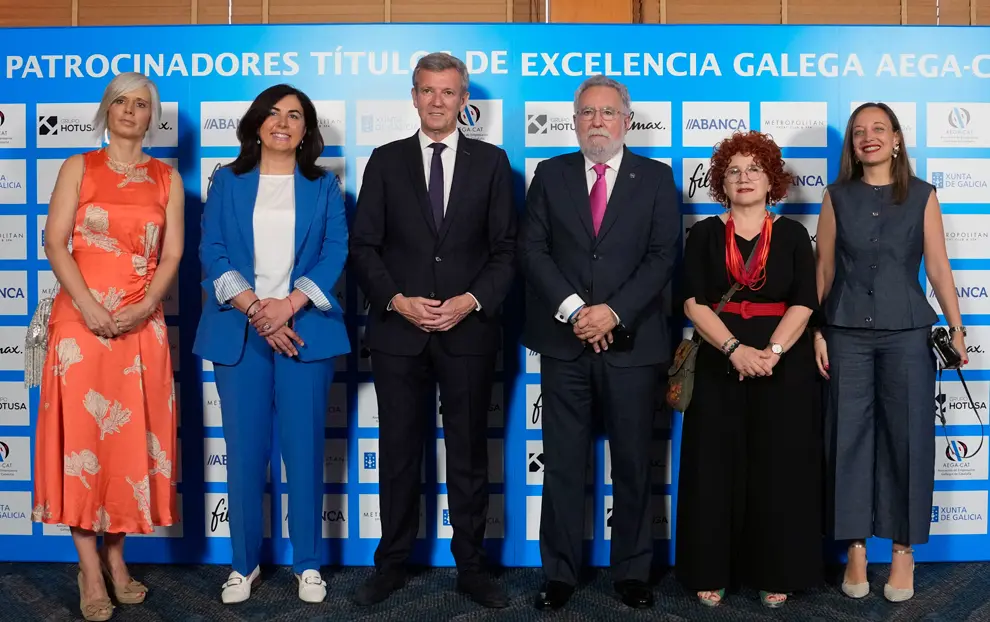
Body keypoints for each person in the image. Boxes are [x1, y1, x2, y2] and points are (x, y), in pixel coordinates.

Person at [349, 52, 516, 608]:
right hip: (400, 333)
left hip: (467, 333)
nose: (438, 101)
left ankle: (472, 566)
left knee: (469, 454)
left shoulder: (493, 164)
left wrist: (468, 302)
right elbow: (364, 246)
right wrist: (397, 301)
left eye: (448, 92)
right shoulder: (385, 160)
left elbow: (506, 251)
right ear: (414, 96)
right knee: (398, 451)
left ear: (464, 99)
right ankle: (390, 563)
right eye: (427, 90)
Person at [518, 75, 680, 611]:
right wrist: (574, 311)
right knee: (563, 462)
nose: (597, 122)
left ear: (626, 120)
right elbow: (533, 249)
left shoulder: (656, 178)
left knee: (633, 462)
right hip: (564, 343)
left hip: (634, 347)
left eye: (608, 113)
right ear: (575, 120)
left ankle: (633, 571)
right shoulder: (551, 173)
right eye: (587, 113)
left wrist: (612, 312)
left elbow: (662, 256)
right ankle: (560, 573)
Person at [30, 72, 183, 622]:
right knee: (82, 443)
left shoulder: (168, 178)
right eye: (120, 100)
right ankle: (89, 569)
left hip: (142, 326)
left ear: (151, 117)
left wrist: (144, 308)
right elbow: (55, 241)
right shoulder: (79, 167)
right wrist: (90, 306)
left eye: (141, 104)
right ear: (106, 109)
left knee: (126, 445)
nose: (129, 110)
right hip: (80, 324)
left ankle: (118, 559)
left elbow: (171, 257)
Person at [192, 84, 350, 605]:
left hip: (305, 330)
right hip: (240, 333)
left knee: (304, 452)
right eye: (274, 114)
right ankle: (243, 565)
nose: (283, 122)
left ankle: (308, 564)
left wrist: (289, 306)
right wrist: (259, 311)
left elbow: (333, 254)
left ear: (307, 130)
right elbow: (212, 252)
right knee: (244, 454)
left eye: (296, 116)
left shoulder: (325, 186)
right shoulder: (227, 182)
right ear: (256, 123)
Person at [815, 102, 967, 603]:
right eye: (859, 131)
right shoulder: (835, 196)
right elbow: (824, 272)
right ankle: (856, 547)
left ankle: (903, 552)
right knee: (848, 439)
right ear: (852, 146)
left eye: (879, 128)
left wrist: (957, 327)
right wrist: (818, 329)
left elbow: (939, 268)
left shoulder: (923, 195)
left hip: (908, 334)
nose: (868, 137)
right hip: (845, 333)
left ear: (897, 139)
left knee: (908, 440)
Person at [674, 131, 823, 609]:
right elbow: (693, 303)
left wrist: (773, 352)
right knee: (713, 469)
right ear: (721, 179)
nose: (743, 178)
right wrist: (735, 348)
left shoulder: (795, 234)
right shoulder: (701, 234)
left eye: (754, 169)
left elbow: (804, 302)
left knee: (777, 470)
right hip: (720, 360)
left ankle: (774, 570)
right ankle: (709, 570)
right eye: (733, 170)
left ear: (771, 180)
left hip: (784, 364)